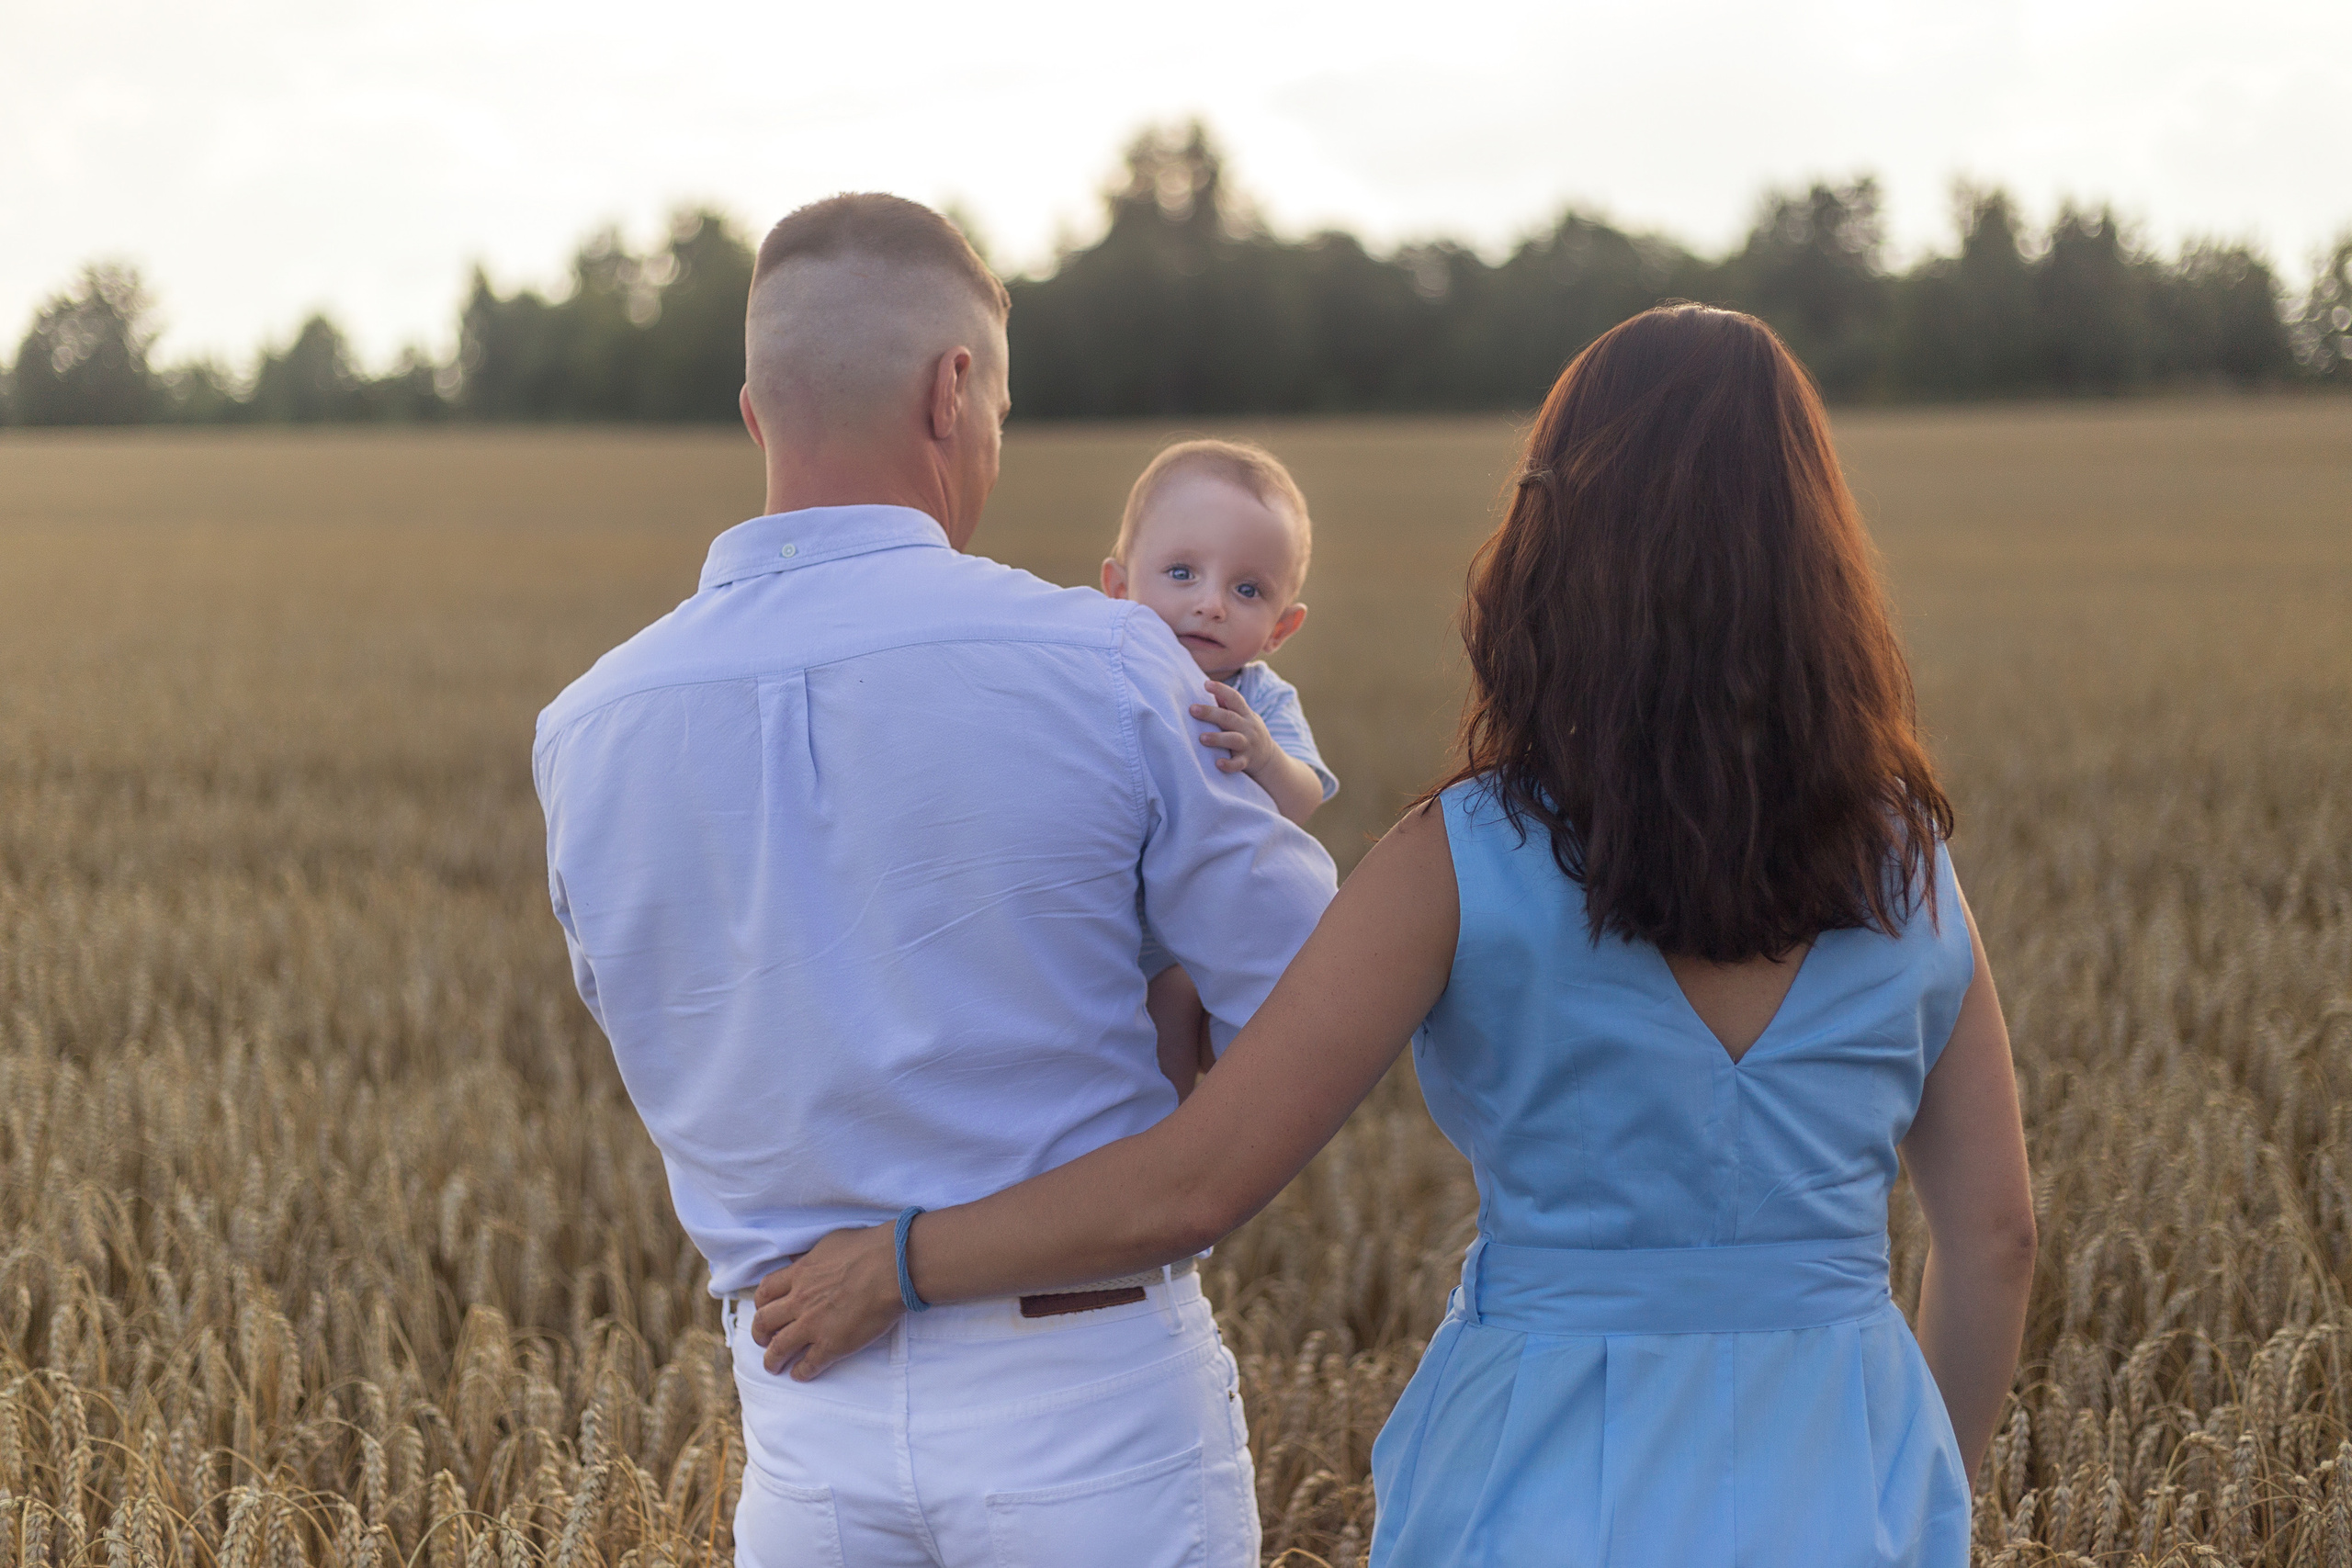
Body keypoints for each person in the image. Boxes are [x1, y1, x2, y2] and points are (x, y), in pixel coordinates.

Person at [750, 305, 2040, 1567]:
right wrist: (1916, 1482)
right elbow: (1995, 1236)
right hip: (1848, 1471)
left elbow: (1201, 1174)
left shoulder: (1463, 854)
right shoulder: (1906, 865)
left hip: (1536, 1476)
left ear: (1557, 534)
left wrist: (901, 1260)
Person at [531, 193, 1337, 1568]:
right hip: (1084, 1414)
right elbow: (1323, 1001)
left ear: (753, 409)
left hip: (802, 1426)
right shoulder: (1105, 664)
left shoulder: (587, 727)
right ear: (953, 388)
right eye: (1004, 409)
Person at [1102, 439, 1340, 1099]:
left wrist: (1264, 754)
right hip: (1096, 926)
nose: (1211, 603)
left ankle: (1167, 1142)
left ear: (1281, 628)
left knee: (1173, 1014)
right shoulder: (1102, 672)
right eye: (1182, 573)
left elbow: (1301, 802)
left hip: (1188, 945)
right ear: (1119, 587)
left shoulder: (1259, 700)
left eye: (1246, 589)